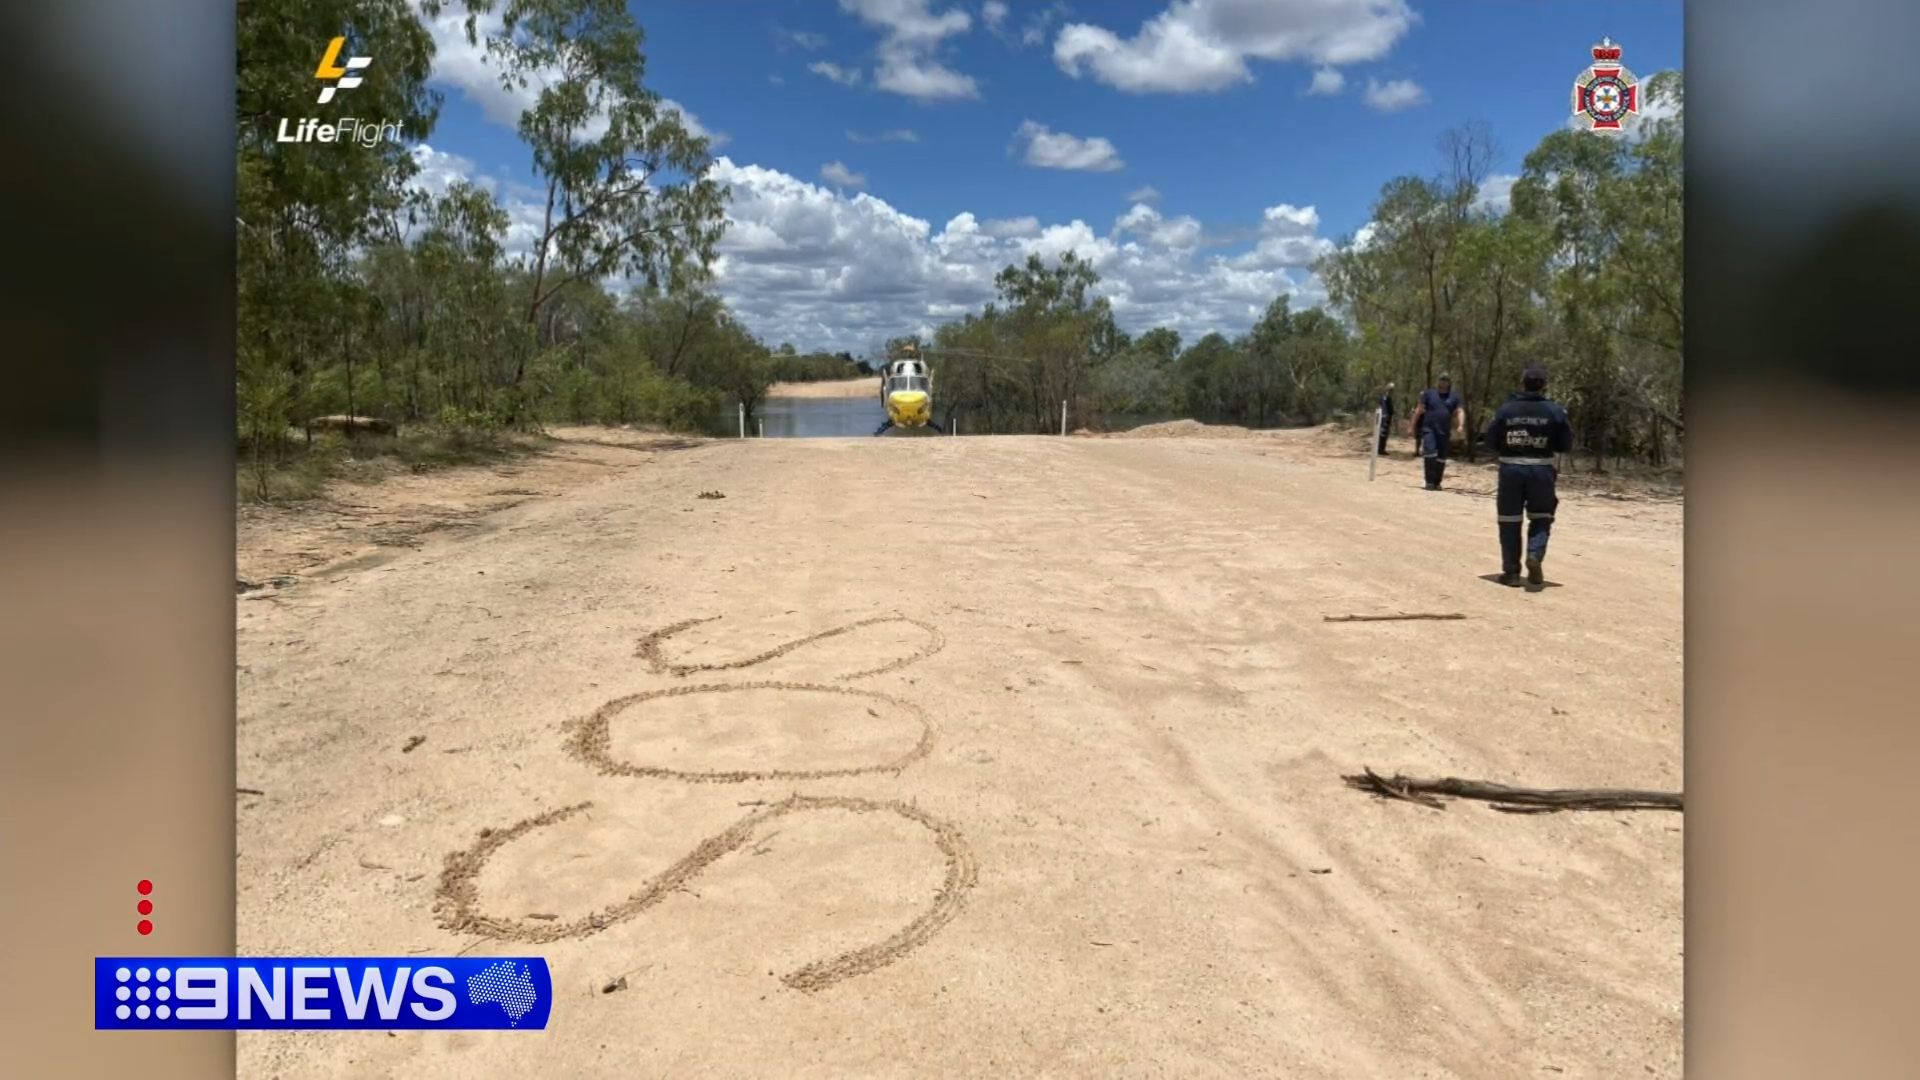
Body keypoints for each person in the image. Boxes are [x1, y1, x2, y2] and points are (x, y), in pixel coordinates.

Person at [1482, 365, 1573, 587]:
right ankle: (1534, 554)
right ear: (1544, 386)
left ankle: (1511, 573)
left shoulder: (1506, 410)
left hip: (1511, 470)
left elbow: (1490, 442)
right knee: (1542, 516)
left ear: (1522, 384)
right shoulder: (1556, 411)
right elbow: (1565, 445)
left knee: (1510, 520)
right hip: (1542, 470)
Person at [1409, 373, 1464, 489]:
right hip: (1429, 429)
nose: (1443, 382)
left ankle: (1437, 482)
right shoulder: (1428, 394)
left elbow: (1459, 411)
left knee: (1441, 457)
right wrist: (1412, 426)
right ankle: (1429, 481)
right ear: (1437, 381)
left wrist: (1461, 425)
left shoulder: (1454, 396)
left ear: (1449, 382)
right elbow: (1419, 410)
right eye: (1441, 380)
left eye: (1446, 380)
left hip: (1444, 431)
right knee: (1430, 452)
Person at [1375, 382, 1395, 455]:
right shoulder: (1384, 397)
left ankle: (1382, 449)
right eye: (1391, 389)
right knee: (1382, 434)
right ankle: (1380, 450)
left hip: (1387, 417)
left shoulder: (1388, 397)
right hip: (1384, 418)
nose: (1392, 391)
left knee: (1385, 434)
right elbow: (1382, 407)